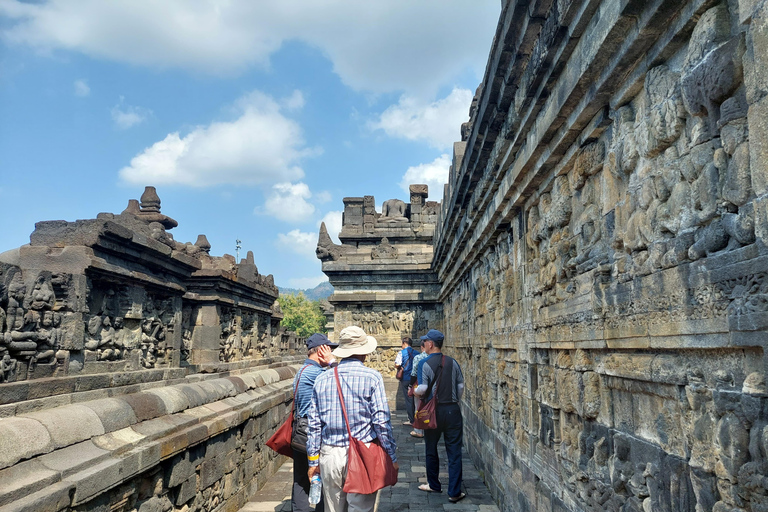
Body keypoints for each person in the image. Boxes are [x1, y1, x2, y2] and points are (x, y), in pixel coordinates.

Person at [306, 326, 398, 512]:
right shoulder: (373, 378)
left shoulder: (322, 380)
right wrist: (391, 455)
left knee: (333, 508)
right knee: (361, 508)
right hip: (362, 452)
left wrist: (313, 462)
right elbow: (381, 422)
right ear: (364, 353)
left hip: (330, 454)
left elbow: (314, 425)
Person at [414, 329, 466, 502]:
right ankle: (454, 492)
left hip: (433, 412)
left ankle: (434, 484)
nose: (424, 345)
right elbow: (460, 386)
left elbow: (422, 389)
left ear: (430, 344)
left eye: (425, 342)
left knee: (431, 448)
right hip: (452, 410)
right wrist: (454, 401)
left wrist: (413, 392)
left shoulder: (425, 363)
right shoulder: (453, 362)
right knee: (454, 451)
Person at [292, 333, 337, 512]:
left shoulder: (304, 370)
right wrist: (332, 361)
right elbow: (340, 381)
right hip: (311, 433)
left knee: (302, 476)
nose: (332, 353)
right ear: (321, 351)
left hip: (302, 430)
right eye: (329, 349)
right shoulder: (315, 373)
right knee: (319, 476)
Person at [408, 338, 429, 438]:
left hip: (420, 385)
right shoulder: (434, 358)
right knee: (430, 406)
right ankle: (429, 426)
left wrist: (410, 386)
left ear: (422, 347)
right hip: (432, 387)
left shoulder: (418, 358)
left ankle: (419, 430)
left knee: (418, 407)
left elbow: (413, 373)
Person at [394, 337, 417, 426]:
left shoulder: (401, 353)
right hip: (415, 379)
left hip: (406, 378)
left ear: (404, 343)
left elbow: (397, 364)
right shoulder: (416, 353)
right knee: (416, 399)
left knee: (408, 399)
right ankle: (417, 417)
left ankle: (411, 419)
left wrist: (398, 367)